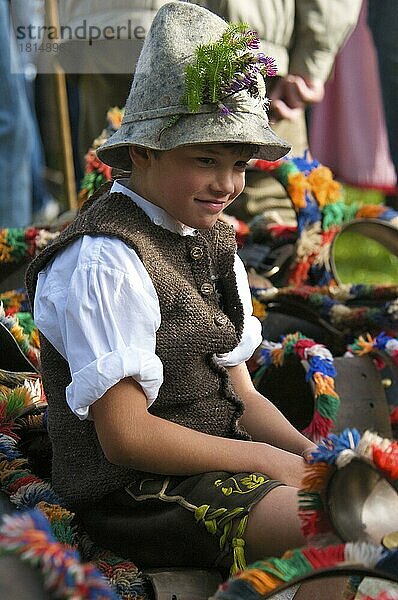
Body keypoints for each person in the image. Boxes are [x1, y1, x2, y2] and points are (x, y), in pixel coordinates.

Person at [27, 1, 326, 586]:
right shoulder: (106, 259)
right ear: (143, 151)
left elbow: (241, 394)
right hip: (135, 496)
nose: (227, 184)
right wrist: (269, 462)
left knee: (352, 506)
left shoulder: (210, 239)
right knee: (329, 524)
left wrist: (316, 462)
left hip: (219, 462)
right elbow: (127, 438)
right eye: (205, 159)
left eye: (239, 162)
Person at [204, 0, 362, 223]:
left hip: (255, 55)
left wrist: (311, 59)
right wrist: (313, 57)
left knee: (273, 206)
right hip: (253, 39)